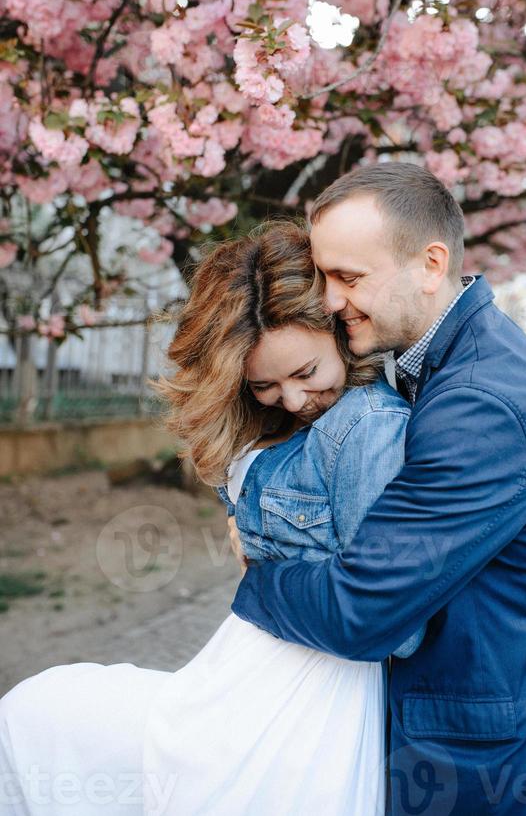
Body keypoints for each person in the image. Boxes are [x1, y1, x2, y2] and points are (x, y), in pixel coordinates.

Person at [0, 220, 422, 816]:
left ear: (338, 330)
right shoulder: (298, 426)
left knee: (35, 719)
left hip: (301, 703)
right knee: (34, 719)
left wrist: (260, 570)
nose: (294, 400)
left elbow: (392, 621)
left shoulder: (367, 428)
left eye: (306, 373)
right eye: (265, 386)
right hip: (243, 675)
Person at [229, 162, 526, 816]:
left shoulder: (480, 408)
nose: (331, 300)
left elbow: (363, 611)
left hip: (496, 776)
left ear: (431, 265)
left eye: (349, 277)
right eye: (325, 278)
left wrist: (253, 575)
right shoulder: (453, 358)